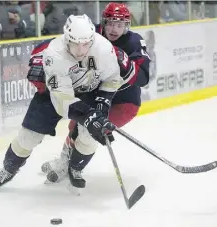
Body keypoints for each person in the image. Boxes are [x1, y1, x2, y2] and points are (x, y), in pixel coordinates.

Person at [0, 14, 124, 191]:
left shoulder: (103, 47)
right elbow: (62, 100)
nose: (81, 50)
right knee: (28, 137)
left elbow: (112, 79)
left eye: (86, 43)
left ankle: (75, 168)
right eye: (75, 43)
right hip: (55, 95)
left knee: (90, 135)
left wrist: (102, 106)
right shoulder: (54, 53)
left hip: (89, 92)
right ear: (66, 38)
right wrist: (89, 116)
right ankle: (8, 169)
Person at [40, 3, 151, 187]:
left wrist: (124, 63)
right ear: (104, 23)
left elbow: (144, 77)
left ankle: (74, 167)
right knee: (76, 124)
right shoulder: (91, 35)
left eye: (120, 24)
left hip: (124, 101)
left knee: (91, 132)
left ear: (127, 25)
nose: (114, 29)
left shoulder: (134, 42)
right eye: (111, 24)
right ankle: (63, 161)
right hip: (95, 93)